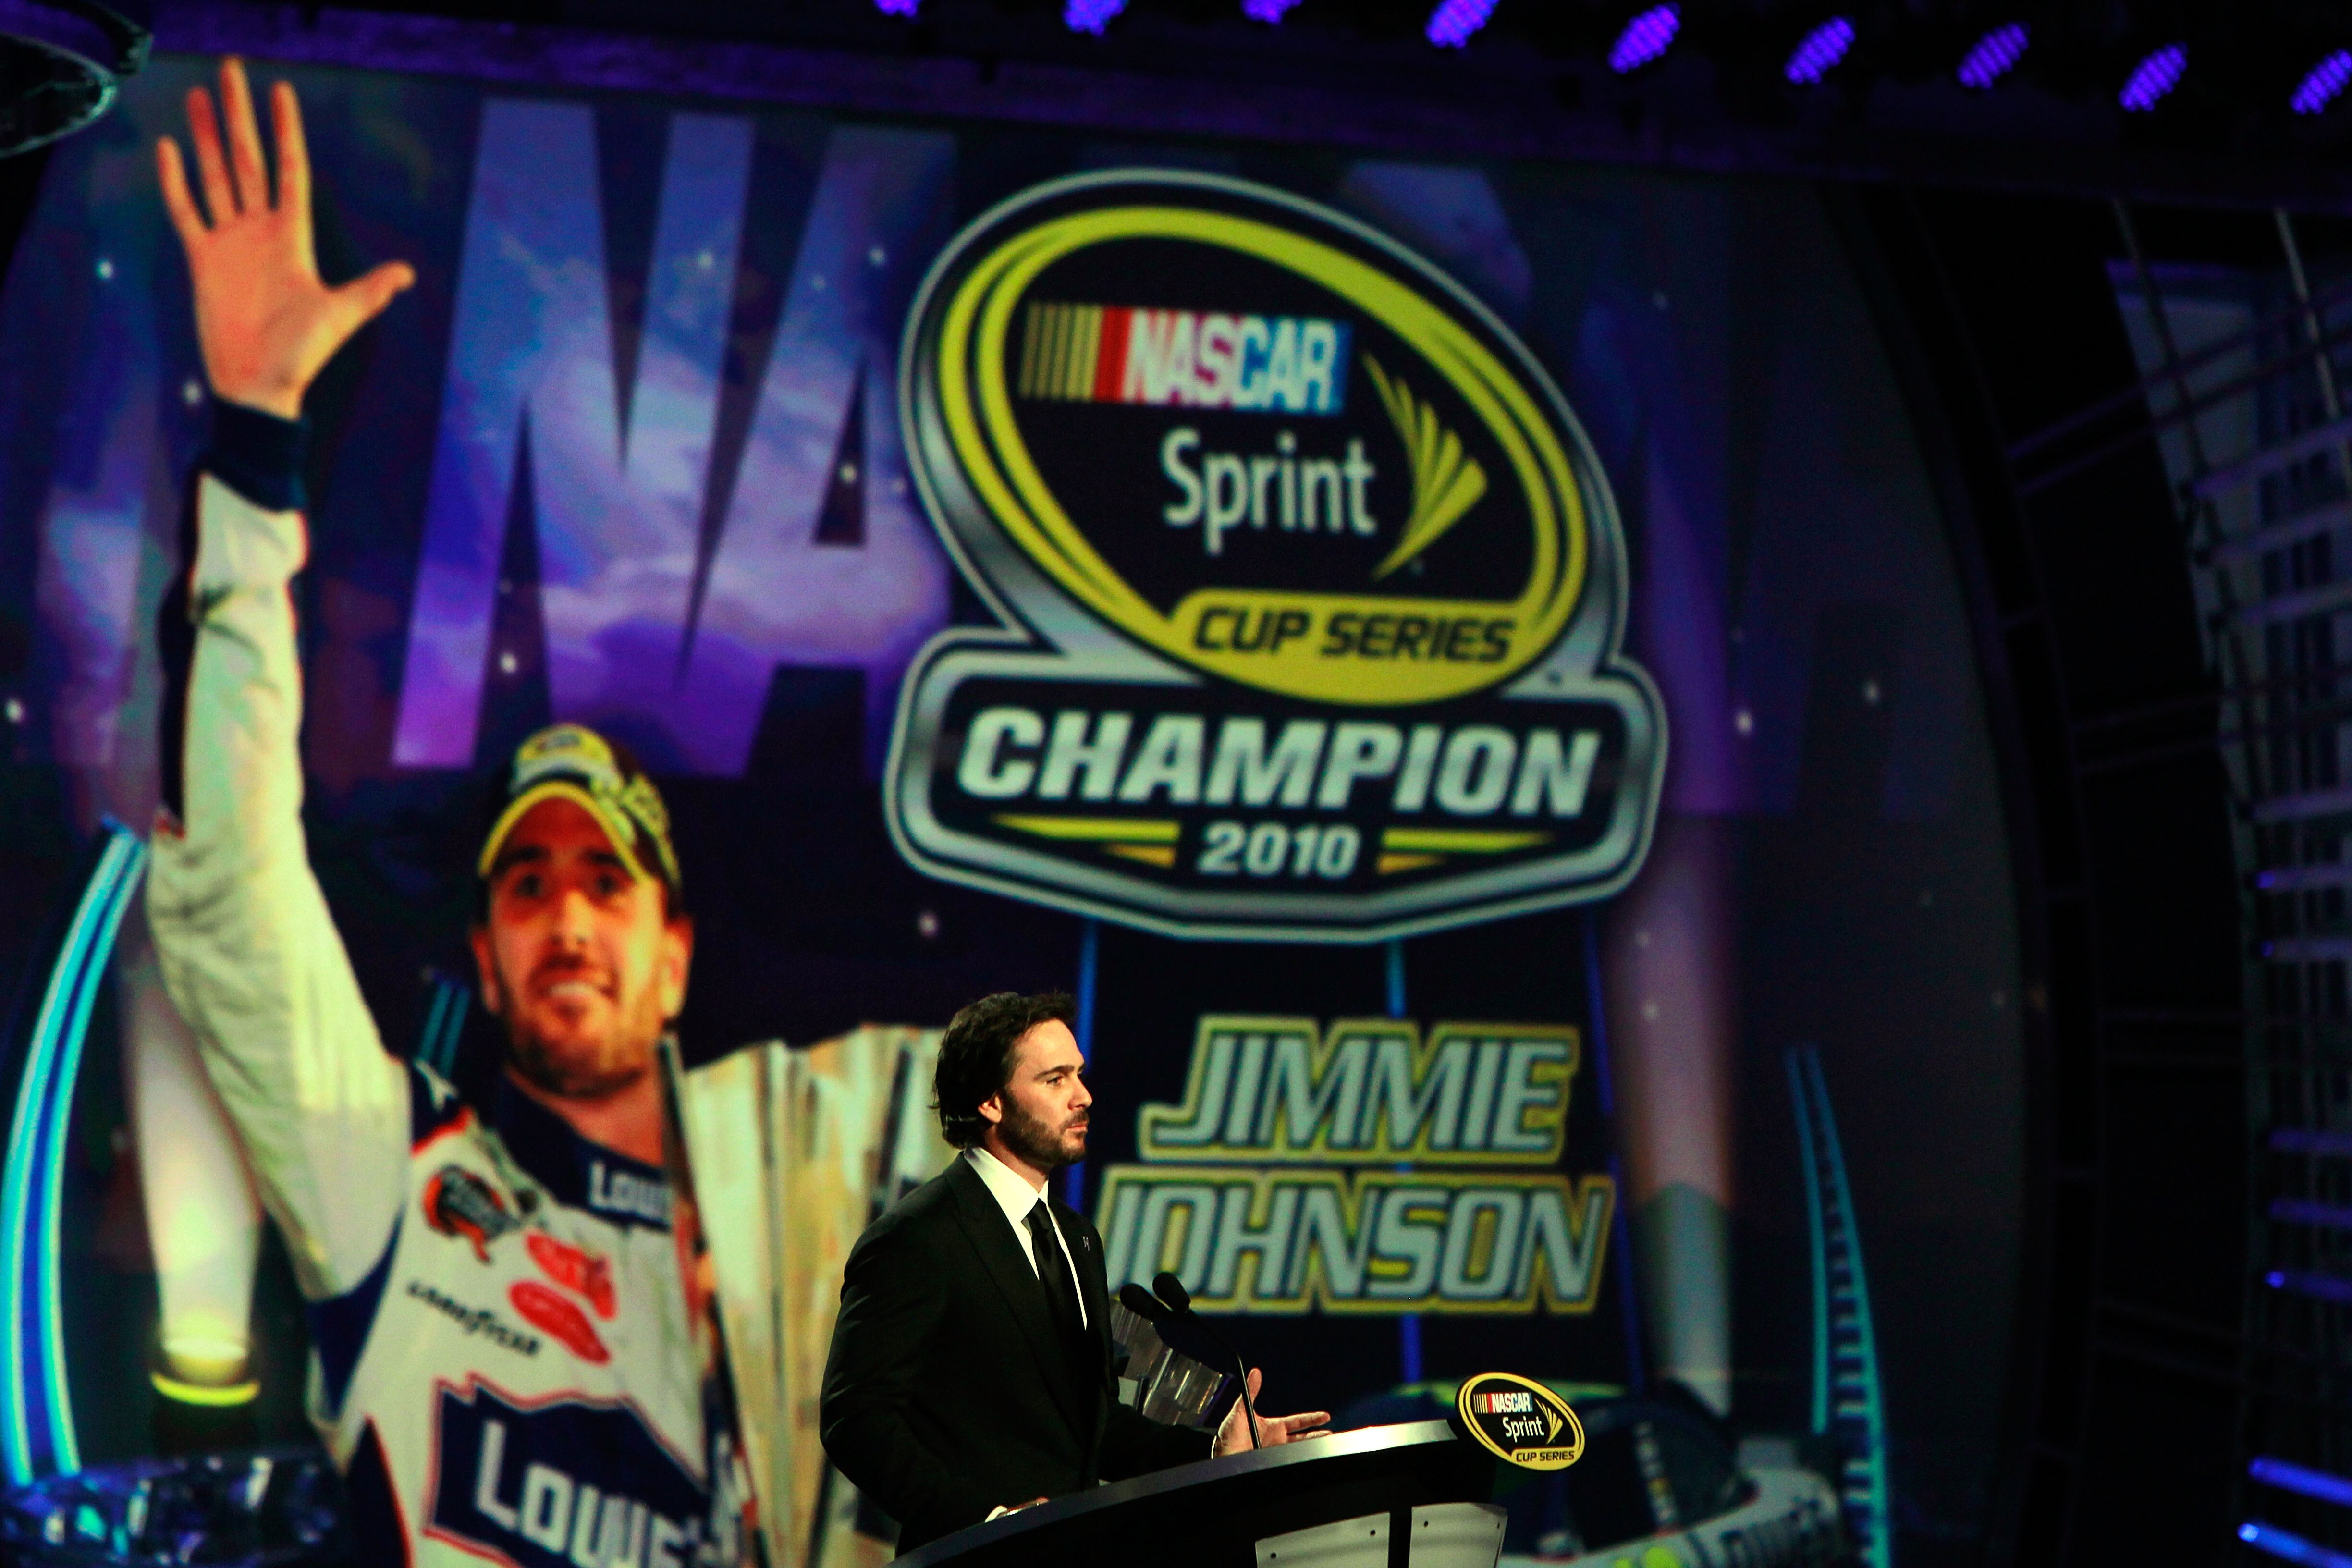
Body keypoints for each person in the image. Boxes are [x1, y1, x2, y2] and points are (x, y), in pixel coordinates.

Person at [147, 58, 737, 1566]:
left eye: (609, 880)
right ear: (484, 953)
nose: (566, 911)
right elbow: (228, 881)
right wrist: (258, 434)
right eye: (526, 883)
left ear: (674, 949)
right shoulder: (397, 1168)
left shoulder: (796, 1267)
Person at [818, 991, 1330, 1555]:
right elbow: (856, 1420)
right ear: (991, 1101)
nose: (1083, 1097)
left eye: (1079, 1075)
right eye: (1055, 1080)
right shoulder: (918, 1239)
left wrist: (1210, 1452)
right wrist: (987, 1520)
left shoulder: (1076, 1237)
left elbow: (1094, 1424)